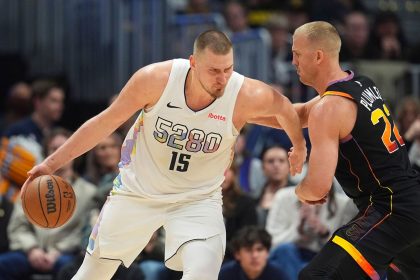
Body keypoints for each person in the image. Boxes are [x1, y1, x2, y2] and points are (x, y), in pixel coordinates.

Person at [25, 30, 307, 280]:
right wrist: (50, 164)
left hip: (197, 199)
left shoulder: (245, 92)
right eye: (213, 71)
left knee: (203, 272)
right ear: (193, 62)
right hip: (138, 191)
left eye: (228, 69)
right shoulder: (155, 79)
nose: (222, 79)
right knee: (93, 273)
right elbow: (103, 123)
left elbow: (286, 110)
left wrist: (299, 146)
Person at [288, 21, 420, 279]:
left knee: (318, 276)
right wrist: (245, 111)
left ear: (317, 56)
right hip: (410, 200)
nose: (292, 61)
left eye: (297, 54)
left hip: (392, 208)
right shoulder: (359, 82)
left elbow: (316, 188)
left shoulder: (330, 107)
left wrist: (299, 188)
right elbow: (299, 113)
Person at [0, 128, 97, 280]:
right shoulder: (29, 189)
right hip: (31, 253)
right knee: (3, 264)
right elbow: (18, 226)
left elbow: (85, 232)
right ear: (47, 153)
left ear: (75, 153)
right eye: (54, 149)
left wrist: (57, 251)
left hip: (65, 254)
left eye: (64, 148)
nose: (59, 152)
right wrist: (32, 249)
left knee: (70, 268)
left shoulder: (89, 192)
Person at [218, 226, 289, 280]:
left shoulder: (279, 275)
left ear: (268, 252)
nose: (255, 255)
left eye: (259, 249)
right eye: (248, 250)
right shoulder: (225, 275)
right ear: (237, 254)